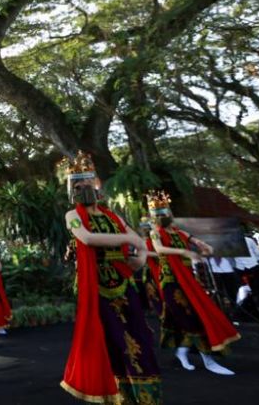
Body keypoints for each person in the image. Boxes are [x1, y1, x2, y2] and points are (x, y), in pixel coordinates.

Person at [60, 152, 161, 405]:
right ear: (72, 191)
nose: (83, 188)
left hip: (122, 283)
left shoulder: (112, 216)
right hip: (94, 286)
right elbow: (87, 238)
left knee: (136, 335)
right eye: (77, 185)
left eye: (87, 183)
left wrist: (139, 257)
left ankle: (144, 395)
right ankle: (116, 396)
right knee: (110, 340)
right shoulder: (72, 216)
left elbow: (138, 243)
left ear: (97, 186)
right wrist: (130, 240)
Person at [149, 191, 240, 376]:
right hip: (170, 280)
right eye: (160, 214)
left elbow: (197, 241)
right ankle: (208, 360)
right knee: (189, 317)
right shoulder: (155, 233)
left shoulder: (180, 232)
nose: (164, 217)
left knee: (197, 314)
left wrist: (205, 246)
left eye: (166, 213)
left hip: (187, 278)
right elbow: (159, 249)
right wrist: (183, 252)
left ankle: (183, 352)